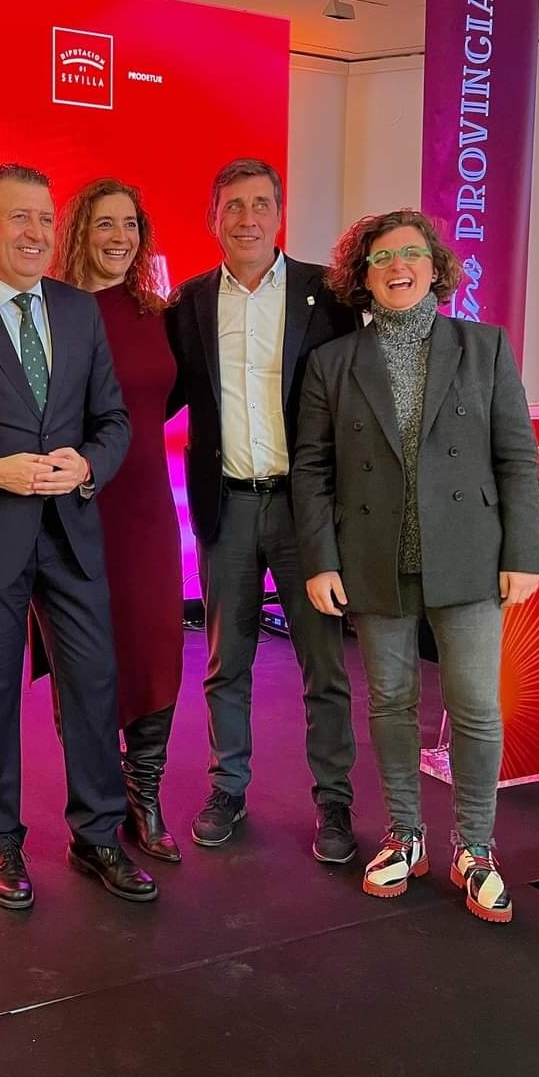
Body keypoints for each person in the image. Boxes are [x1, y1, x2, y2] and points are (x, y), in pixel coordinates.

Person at [0, 163, 155, 910]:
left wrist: (89, 463)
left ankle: (98, 836)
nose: (36, 233)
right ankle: (1, 843)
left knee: (94, 685)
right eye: (19, 217)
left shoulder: (78, 310)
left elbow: (114, 420)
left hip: (71, 531)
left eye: (45, 218)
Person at [293, 209, 539, 922]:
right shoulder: (334, 362)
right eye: (381, 257)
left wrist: (522, 552)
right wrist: (321, 560)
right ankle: (405, 834)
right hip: (375, 555)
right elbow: (312, 469)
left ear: (435, 266)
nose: (397, 266)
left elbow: (516, 457)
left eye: (410, 253)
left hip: (469, 553)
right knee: (392, 703)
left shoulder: (485, 346)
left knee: (476, 707)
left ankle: (476, 846)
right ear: (362, 276)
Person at [165, 157, 359, 863]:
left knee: (323, 666)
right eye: (233, 206)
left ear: (279, 214)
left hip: (306, 510)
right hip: (227, 506)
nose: (247, 219)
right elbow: (157, 394)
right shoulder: (188, 304)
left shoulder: (328, 295)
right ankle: (227, 788)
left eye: (260, 205)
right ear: (212, 218)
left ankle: (334, 801)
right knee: (226, 663)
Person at [48, 177, 184, 862]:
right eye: (105, 223)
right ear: (80, 232)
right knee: (86, 660)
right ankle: (98, 806)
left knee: (157, 644)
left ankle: (145, 794)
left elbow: (166, 396)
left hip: (148, 508)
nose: (120, 237)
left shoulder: (159, 310)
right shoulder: (50, 312)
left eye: (130, 224)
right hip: (75, 508)